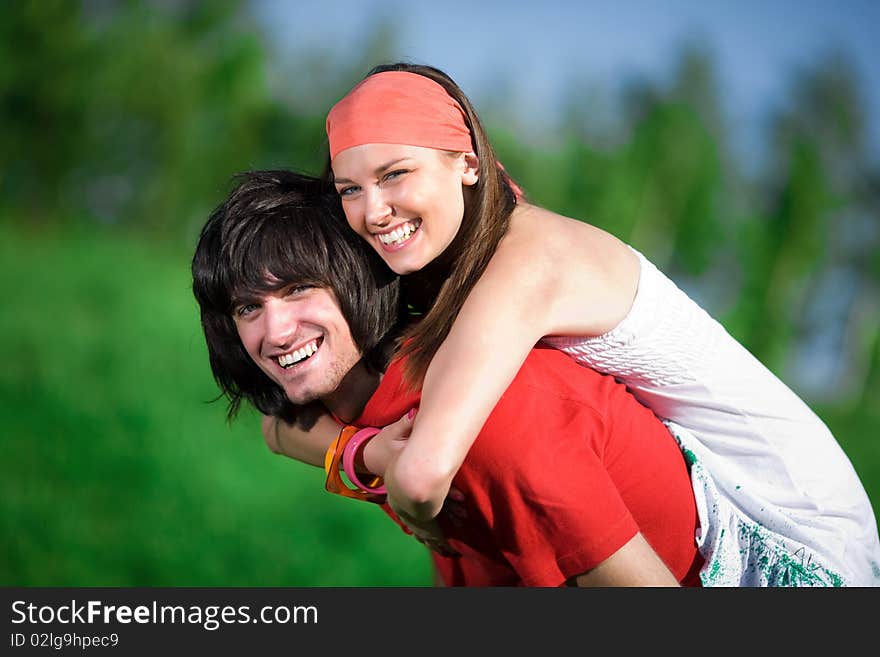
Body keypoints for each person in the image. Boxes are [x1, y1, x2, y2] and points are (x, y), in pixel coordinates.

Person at [268, 62, 880, 586]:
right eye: (350, 189)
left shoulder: (529, 260)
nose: (372, 211)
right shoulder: (440, 262)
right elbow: (280, 421)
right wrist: (364, 455)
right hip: (690, 486)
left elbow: (424, 474)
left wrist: (389, 474)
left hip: (785, 514)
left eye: (396, 174)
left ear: (468, 164)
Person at [191, 169, 707, 586]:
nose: (277, 332)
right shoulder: (366, 406)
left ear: (362, 279)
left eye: (300, 288)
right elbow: (278, 427)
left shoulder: (487, 422)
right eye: (248, 307)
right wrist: (363, 454)